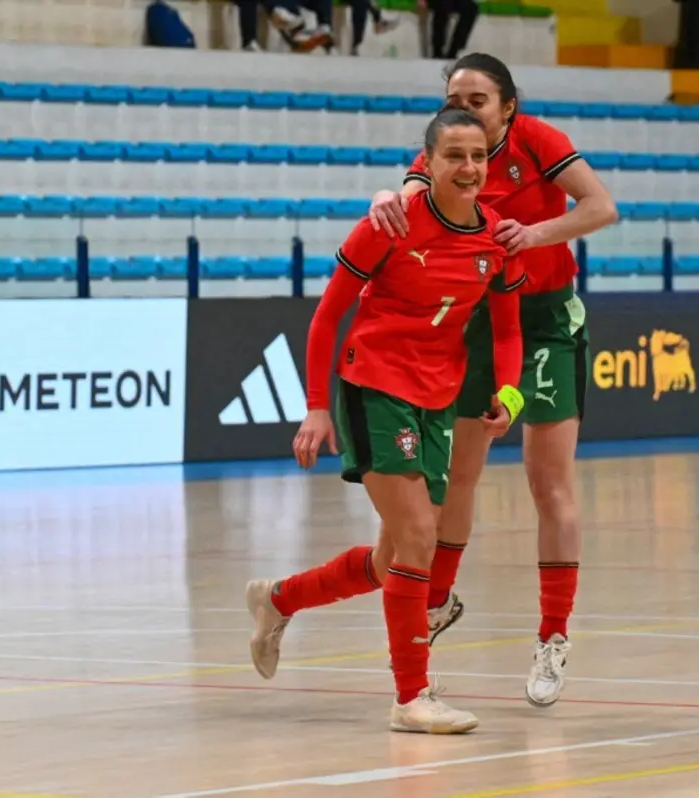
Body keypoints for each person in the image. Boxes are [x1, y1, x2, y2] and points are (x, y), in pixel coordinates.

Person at [244, 107, 528, 734]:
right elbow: (327, 316)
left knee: (392, 558)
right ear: (426, 163)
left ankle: (277, 598)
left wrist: (510, 394)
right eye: (454, 155)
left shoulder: (497, 241)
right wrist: (317, 406)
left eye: (478, 156)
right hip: (373, 384)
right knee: (421, 537)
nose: (469, 167)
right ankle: (411, 697)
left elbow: (507, 332)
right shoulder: (389, 224)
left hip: (438, 398)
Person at [367, 52, 618, 708]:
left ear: (507, 105)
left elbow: (601, 208)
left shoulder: (538, 141)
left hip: (545, 318)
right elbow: (413, 194)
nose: (465, 106)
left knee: (547, 478)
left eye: (478, 98)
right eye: (456, 96)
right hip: (483, 315)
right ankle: (437, 603)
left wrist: (534, 234)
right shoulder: (445, 152)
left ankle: (553, 635)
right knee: (459, 472)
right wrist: (389, 197)